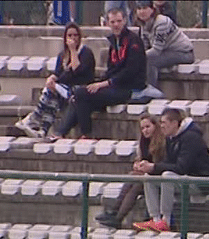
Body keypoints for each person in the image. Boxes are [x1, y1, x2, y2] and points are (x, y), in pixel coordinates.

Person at [52, 7, 146, 140]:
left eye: (119, 21)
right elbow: (111, 70)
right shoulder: (113, 42)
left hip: (129, 88)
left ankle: (81, 134)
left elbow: (131, 71)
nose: (116, 25)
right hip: (114, 86)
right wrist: (97, 84)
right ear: (107, 23)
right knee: (79, 97)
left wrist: (104, 84)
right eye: (112, 22)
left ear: (125, 21)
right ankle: (63, 133)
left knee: (80, 94)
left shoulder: (133, 41)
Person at [133, 108, 209, 232]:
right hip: (185, 179)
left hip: (201, 182)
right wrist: (148, 166)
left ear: (174, 123)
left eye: (163, 123)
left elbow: (181, 167)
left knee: (168, 176)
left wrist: (155, 167)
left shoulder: (191, 138)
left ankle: (166, 220)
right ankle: (155, 219)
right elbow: (168, 163)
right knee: (149, 177)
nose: (161, 126)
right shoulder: (171, 138)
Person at [14, 22, 95, 139]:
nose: (73, 38)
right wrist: (52, 78)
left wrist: (73, 51)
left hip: (80, 89)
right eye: (70, 36)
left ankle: (33, 118)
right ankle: (42, 131)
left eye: (75, 35)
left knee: (50, 91)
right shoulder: (62, 55)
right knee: (52, 99)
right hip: (63, 89)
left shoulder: (86, 53)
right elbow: (59, 74)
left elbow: (77, 70)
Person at [95, 113, 166, 229]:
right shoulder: (144, 142)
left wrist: (148, 167)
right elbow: (142, 159)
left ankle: (118, 217)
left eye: (148, 127)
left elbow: (161, 165)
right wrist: (138, 164)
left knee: (137, 183)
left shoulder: (163, 141)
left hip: (160, 177)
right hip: (147, 175)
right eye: (142, 128)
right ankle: (114, 212)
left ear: (155, 126)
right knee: (132, 176)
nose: (145, 131)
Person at [135, 0, 193, 89]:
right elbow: (145, 46)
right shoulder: (144, 24)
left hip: (184, 53)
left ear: (152, 9)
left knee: (150, 61)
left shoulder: (161, 22)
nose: (142, 11)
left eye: (145, 8)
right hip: (166, 51)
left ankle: (150, 90)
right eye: (139, 9)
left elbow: (156, 50)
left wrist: (138, 56)